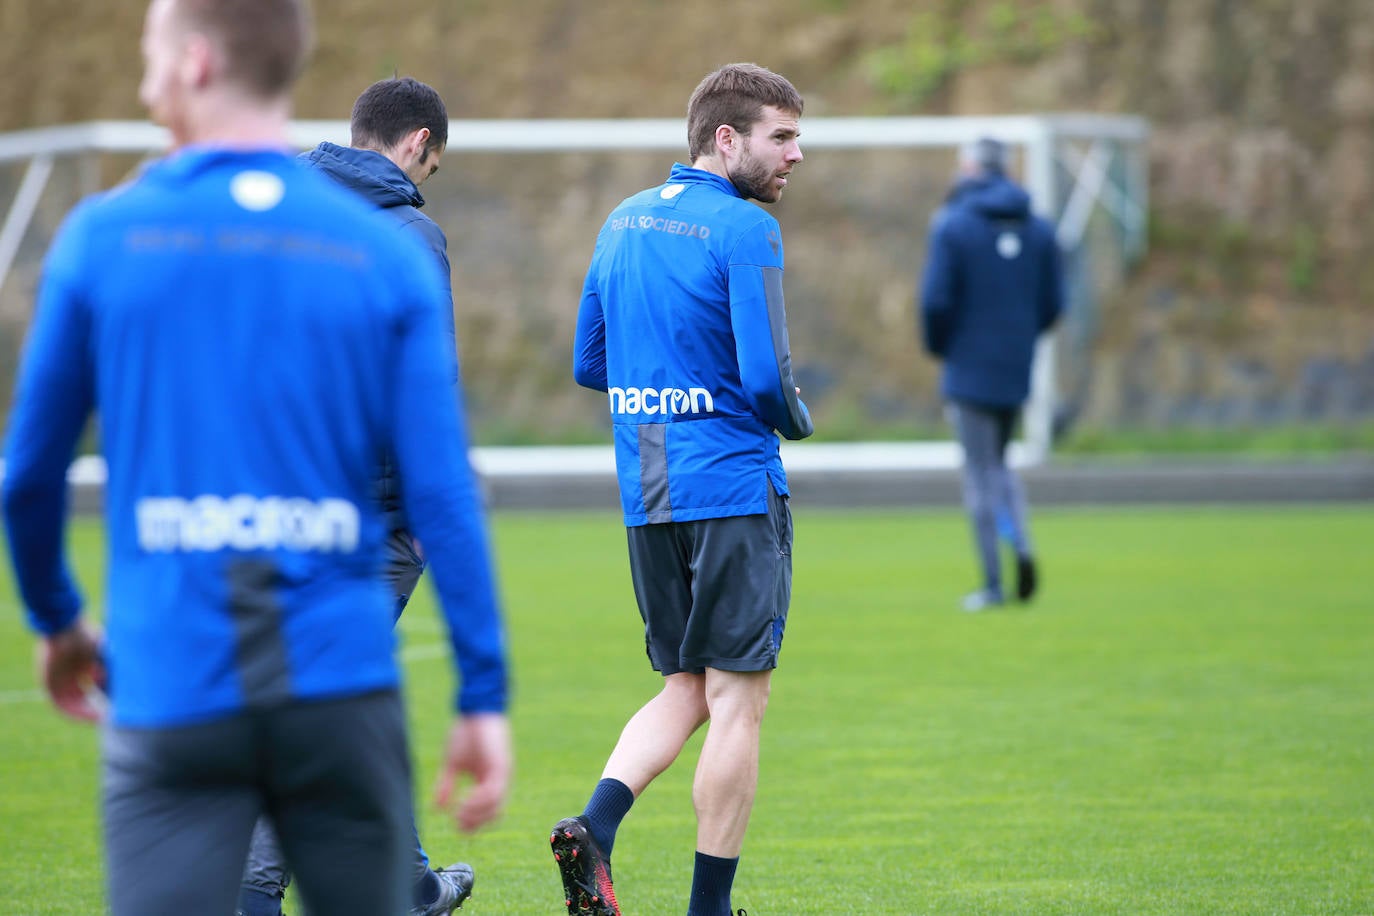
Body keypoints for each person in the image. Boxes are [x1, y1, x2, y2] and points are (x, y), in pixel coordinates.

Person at [0, 2, 512, 914]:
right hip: (336, 680)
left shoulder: (105, 235)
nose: (146, 80)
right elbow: (443, 487)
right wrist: (482, 690)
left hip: (169, 676)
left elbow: (29, 478)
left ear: (194, 63)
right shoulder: (388, 248)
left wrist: (60, 620)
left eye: (149, 58)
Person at [553, 62, 813, 916]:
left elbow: (592, 362)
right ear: (726, 138)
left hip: (649, 492)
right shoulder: (744, 229)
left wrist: (663, 387)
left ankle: (596, 824)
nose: (797, 155)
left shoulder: (621, 220)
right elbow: (767, 379)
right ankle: (709, 909)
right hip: (732, 488)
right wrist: (796, 420)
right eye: (782, 137)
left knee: (686, 687)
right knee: (741, 698)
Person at [235, 76, 478, 916]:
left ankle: (409, 885)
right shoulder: (409, 232)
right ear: (416, 143)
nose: (426, 180)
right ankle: (255, 893)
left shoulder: (263, 210)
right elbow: (427, 387)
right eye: (432, 165)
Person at [918, 137, 1065, 611]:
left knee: (979, 472)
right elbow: (1055, 304)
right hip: (1015, 365)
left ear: (969, 168)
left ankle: (994, 583)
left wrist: (944, 347)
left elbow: (935, 301)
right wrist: (1020, 337)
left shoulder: (954, 225)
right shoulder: (1040, 229)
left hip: (968, 366)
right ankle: (1020, 543)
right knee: (1001, 464)